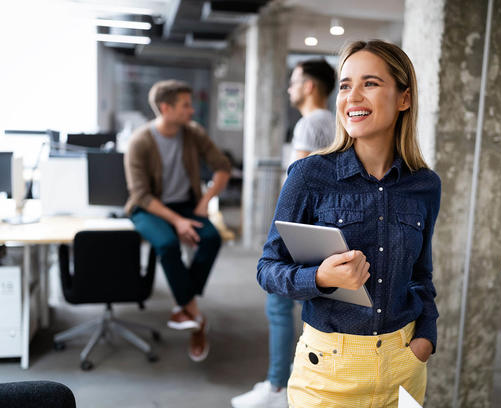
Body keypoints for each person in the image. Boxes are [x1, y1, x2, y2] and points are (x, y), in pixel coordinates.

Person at [256, 40, 441, 407]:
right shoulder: (309, 175)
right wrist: (321, 278)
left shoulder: (424, 185)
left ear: (404, 98)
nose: (352, 96)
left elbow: (421, 274)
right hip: (328, 371)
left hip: (403, 365)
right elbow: (267, 269)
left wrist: (426, 338)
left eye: (370, 83)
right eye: (345, 85)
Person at [231, 59, 336, 408]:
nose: (289, 88)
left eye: (294, 81)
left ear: (310, 86)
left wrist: (282, 231)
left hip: (303, 229)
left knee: (278, 303)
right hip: (326, 226)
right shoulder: (334, 124)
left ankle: (278, 385)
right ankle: (294, 379)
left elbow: (297, 185)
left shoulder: (309, 125)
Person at [124, 79, 231, 362]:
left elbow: (222, 167)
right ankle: (194, 314)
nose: (192, 110)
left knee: (211, 238)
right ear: (165, 108)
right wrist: (177, 222)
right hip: (147, 208)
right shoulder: (139, 142)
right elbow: (142, 195)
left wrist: (204, 201)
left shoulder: (193, 133)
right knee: (168, 243)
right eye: (185, 105)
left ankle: (183, 304)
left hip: (187, 204)